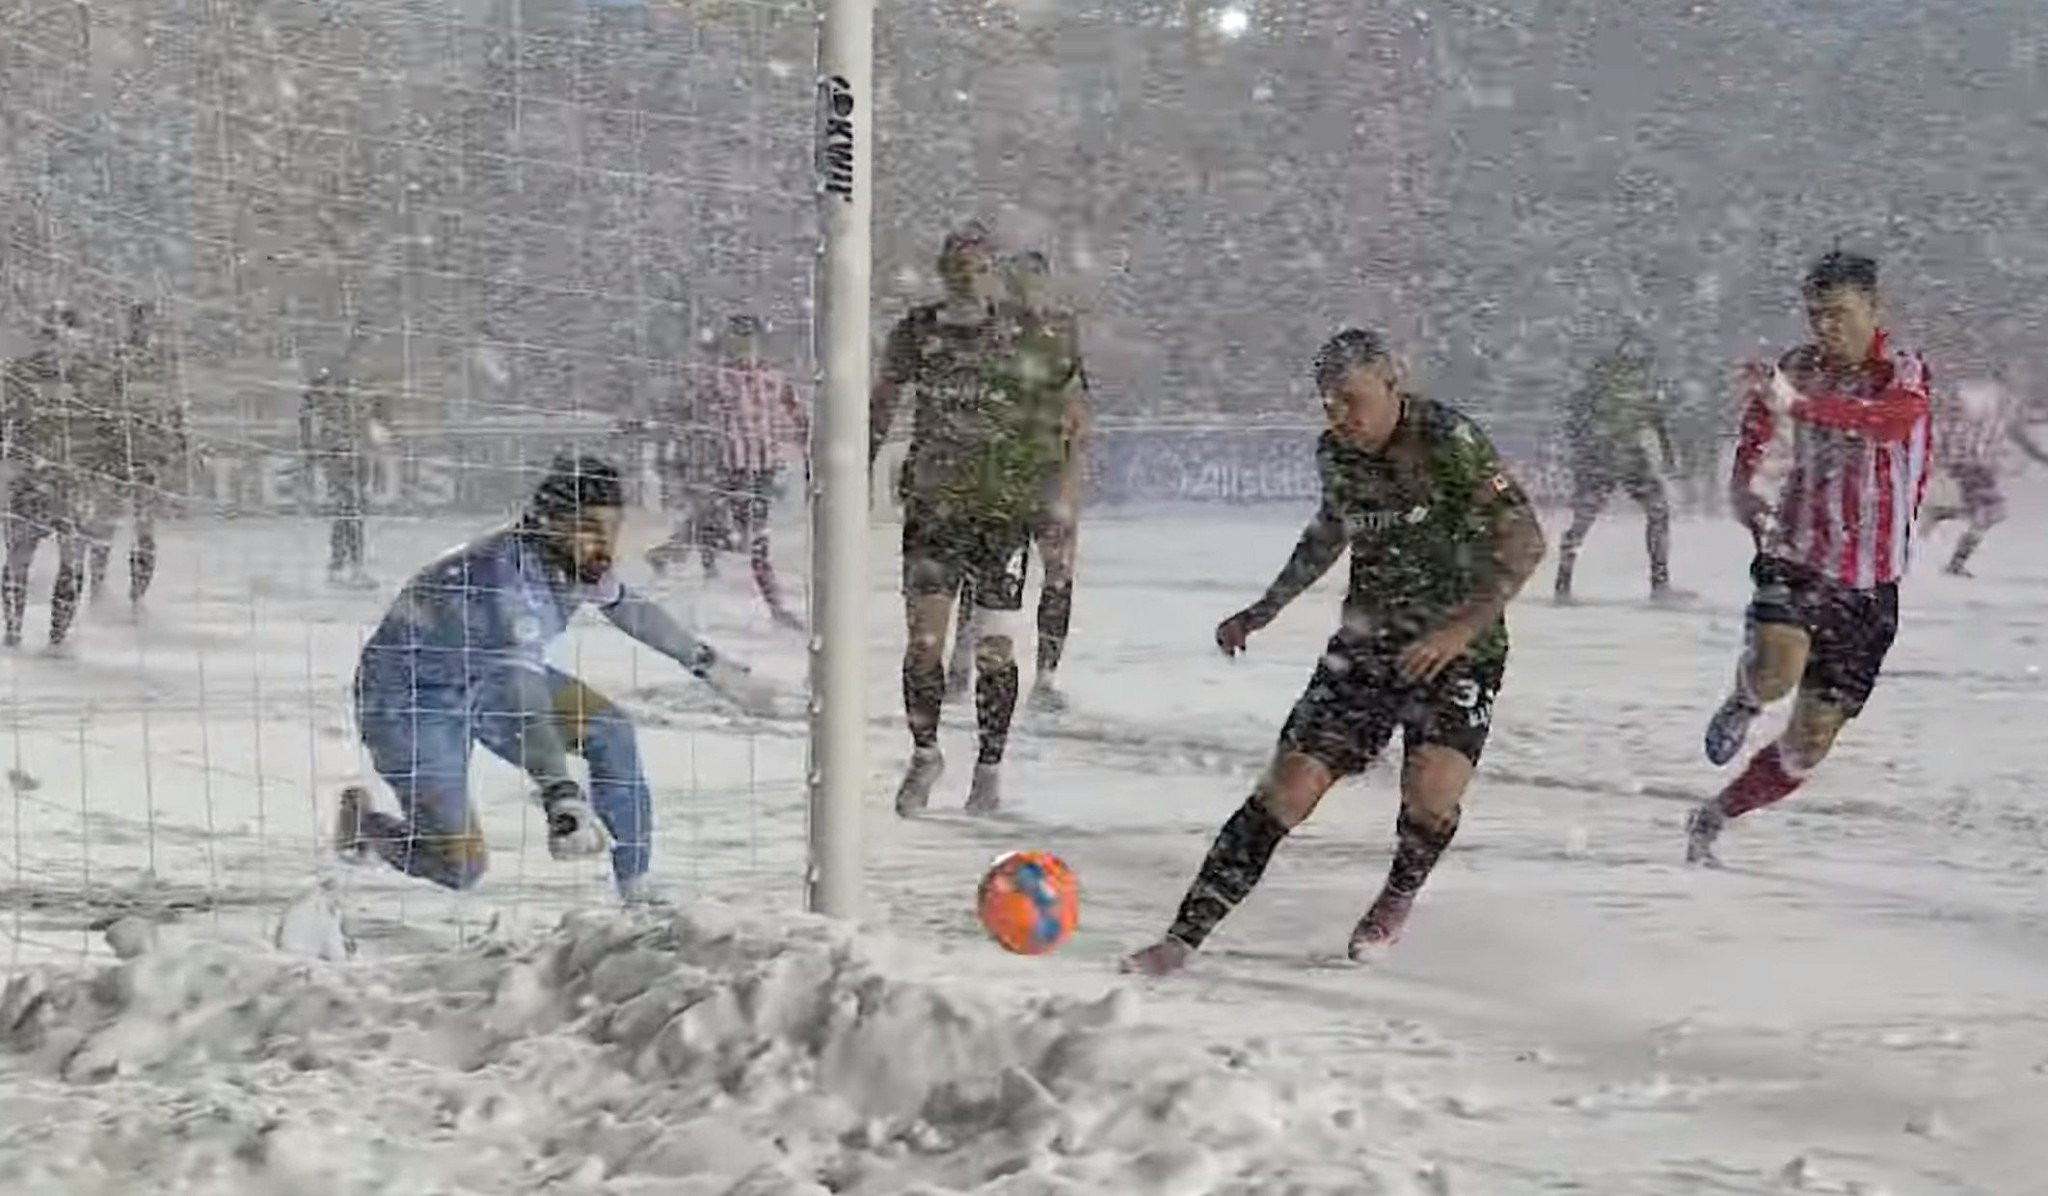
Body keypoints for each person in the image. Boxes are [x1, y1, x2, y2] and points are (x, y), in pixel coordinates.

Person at [1121, 329, 1546, 976]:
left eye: (1351, 399)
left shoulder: (1446, 441)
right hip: (1367, 645)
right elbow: (1328, 532)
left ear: (1391, 385)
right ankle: (1180, 939)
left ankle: (1399, 893)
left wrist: (1456, 633)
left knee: (1430, 793)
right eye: (1327, 403)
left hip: (1459, 647)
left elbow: (1526, 541)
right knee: (1290, 786)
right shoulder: (1337, 453)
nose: (1340, 415)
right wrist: (1265, 608)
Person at [334, 455, 778, 902]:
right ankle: (367, 828)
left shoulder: (569, 557)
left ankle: (636, 888)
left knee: (611, 731)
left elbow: (629, 608)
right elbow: (522, 700)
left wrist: (707, 663)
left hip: (484, 676)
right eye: (590, 527)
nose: (604, 543)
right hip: (408, 700)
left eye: (612, 527)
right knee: (461, 867)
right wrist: (560, 791)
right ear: (549, 523)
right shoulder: (504, 580)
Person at [1690, 252, 1933, 865]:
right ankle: (1747, 698)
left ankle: (1716, 813)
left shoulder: (1903, 370)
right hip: (1799, 555)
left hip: (1872, 584)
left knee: (1809, 742)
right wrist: (1744, 486)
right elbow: (1757, 424)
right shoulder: (1797, 368)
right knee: (1776, 668)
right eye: (1816, 315)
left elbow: (1890, 423)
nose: (1827, 328)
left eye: (1840, 314)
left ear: (1874, 308)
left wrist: (1798, 406)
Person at [870, 223, 1085, 816]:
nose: (968, 280)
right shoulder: (919, 330)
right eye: (957, 269)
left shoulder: (1029, 333)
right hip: (934, 508)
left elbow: (1070, 412)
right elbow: (882, 403)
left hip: (1003, 512)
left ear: (996, 274)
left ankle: (989, 768)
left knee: (994, 648)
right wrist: (853, 467)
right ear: (942, 273)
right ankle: (925, 753)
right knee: (924, 643)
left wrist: (1061, 493)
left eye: (980, 269)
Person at [943, 249, 1090, 713]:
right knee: (987, 573)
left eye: (1035, 281)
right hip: (1000, 472)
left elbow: (1077, 403)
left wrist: (1071, 474)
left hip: (1047, 467)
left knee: (1058, 570)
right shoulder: (991, 331)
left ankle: (1045, 676)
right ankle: (962, 662)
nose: (1029, 291)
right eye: (1020, 281)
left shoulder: (1062, 329)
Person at [647, 314, 809, 628]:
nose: (744, 347)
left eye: (749, 340)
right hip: (727, 467)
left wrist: (806, 443)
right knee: (744, 535)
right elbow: (688, 414)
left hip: (761, 467)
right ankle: (774, 605)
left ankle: (671, 552)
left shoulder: (774, 377)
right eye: (737, 340)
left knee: (743, 533)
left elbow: (796, 412)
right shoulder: (714, 378)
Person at [1, 303, 116, 651]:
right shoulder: (19, 375)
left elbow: (105, 428)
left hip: (71, 481)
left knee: (68, 559)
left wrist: (100, 470)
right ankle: (15, 631)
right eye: (52, 333)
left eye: (67, 333)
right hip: (32, 478)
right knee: (22, 556)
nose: (60, 341)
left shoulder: (89, 378)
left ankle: (54, 637)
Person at [1552, 328, 1680, 603]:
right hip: (1610, 456)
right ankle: (1659, 581)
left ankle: (1564, 580)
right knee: (1653, 511)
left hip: (1611, 457)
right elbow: (1655, 420)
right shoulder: (1620, 383)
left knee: (1586, 518)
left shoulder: (1612, 383)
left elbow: (1655, 419)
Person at [87, 300, 187, 609]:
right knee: (107, 520)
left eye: (151, 323)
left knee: (144, 525)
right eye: (142, 322)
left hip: (149, 451)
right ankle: (97, 584)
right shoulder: (116, 359)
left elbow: (174, 404)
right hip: (117, 448)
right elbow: (99, 401)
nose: (147, 329)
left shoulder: (163, 362)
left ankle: (136, 595)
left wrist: (177, 440)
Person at [1920, 367, 2047, 576]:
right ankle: (1954, 558)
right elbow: (2018, 435)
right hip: (1975, 464)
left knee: (1985, 512)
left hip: (1971, 464)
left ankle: (1944, 516)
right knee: (1990, 513)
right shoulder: (2001, 401)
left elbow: (2016, 435)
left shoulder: (1991, 399)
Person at [299, 349, 387, 588]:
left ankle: (340, 565)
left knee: (347, 512)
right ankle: (351, 567)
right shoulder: (334, 395)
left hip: (351, 455)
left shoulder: (350, 395)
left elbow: (365, 426)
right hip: (341, 455)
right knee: (350, 512)